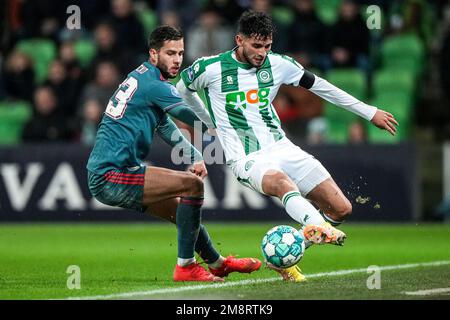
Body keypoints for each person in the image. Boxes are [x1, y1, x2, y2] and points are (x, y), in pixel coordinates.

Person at [177, 11, 399, 282]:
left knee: (341, 209)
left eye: (267, 46)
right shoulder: (210, 68)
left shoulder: (279, 64)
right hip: (246, 157)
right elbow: (182, 90)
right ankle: (318, 226)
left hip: (282, 147)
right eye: (256, 46)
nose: (262, 53)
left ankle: (285, 257)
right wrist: (206, 120)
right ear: (239, 40)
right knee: (283, 184)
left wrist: (369, 112)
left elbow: (322, 87)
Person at [86, 26, 261, 282]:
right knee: (192, 185)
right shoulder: (156, 85)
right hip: (111, 175)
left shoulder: (143, 77)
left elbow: (165, 125)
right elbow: (188, 117)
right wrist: (226, 122)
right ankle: (186, 267)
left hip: (116, 171)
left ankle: (217, 263)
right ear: (153, 54)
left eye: (180, 53)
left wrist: (194, 156)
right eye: (170, 53)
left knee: (182, 211)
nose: (177, 59)